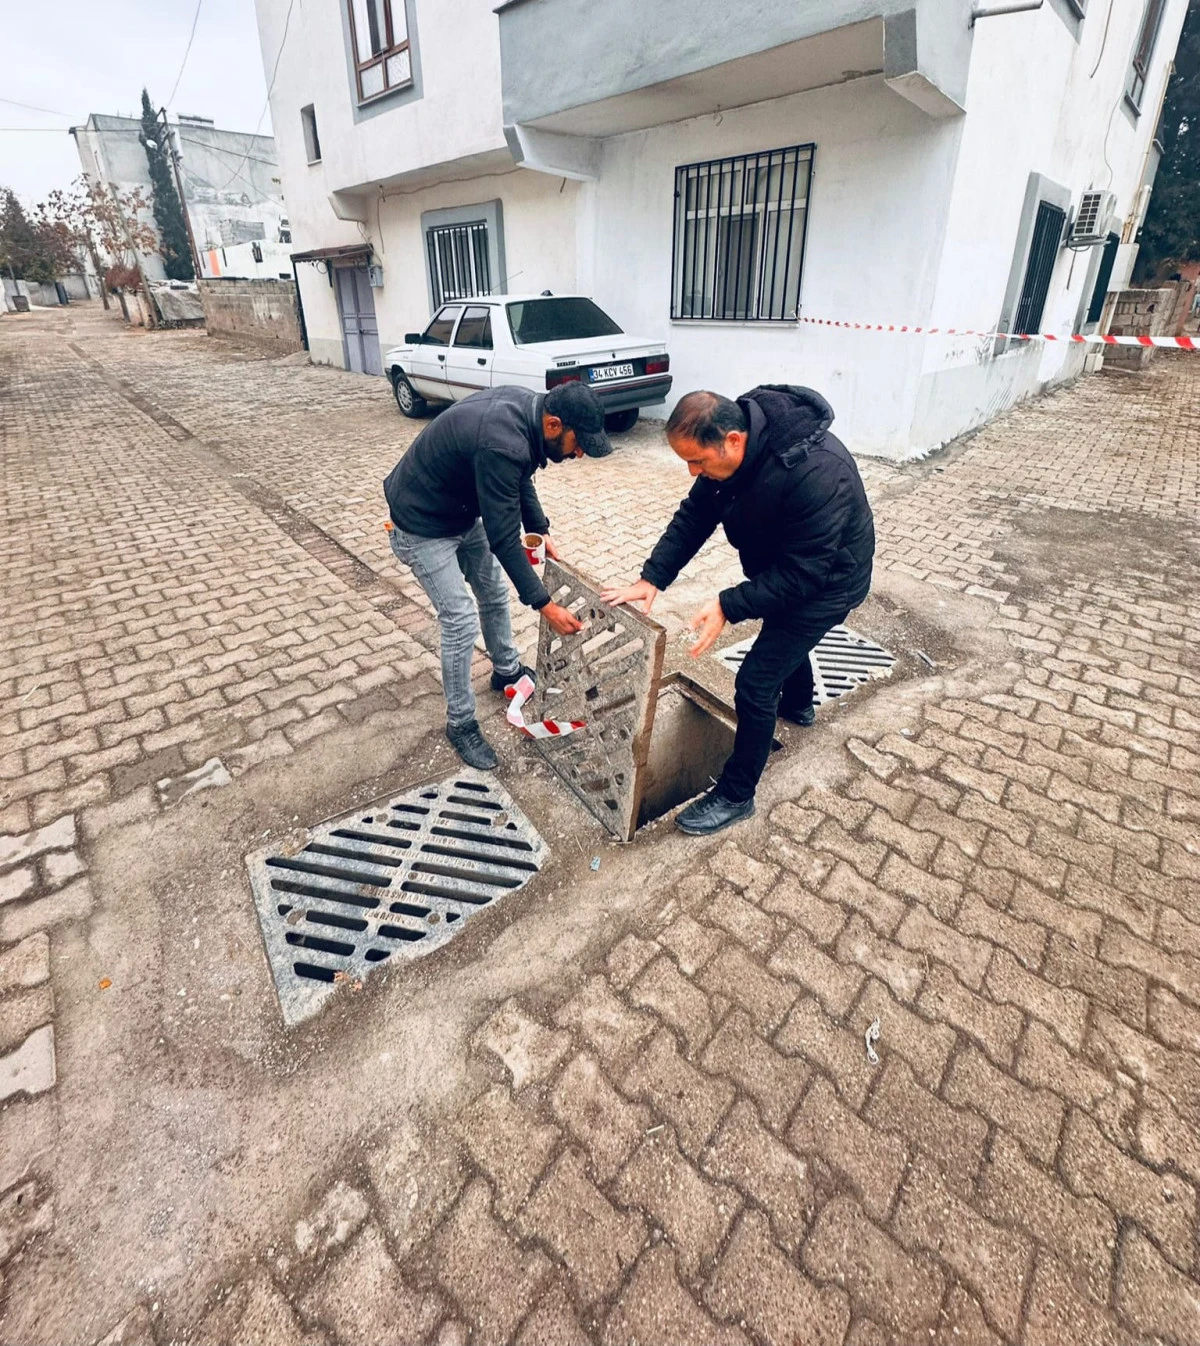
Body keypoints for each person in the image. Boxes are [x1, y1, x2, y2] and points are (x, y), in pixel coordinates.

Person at [602, 386, 874, 836]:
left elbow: (803, 576)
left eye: (698, 461)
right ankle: (800, 706)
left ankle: (736, 794)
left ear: (732, 440)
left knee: (754, 681)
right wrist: (652, 578)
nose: (694, 472)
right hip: (783, 569)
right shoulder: (731, 452)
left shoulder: (819, 472)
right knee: (780, 634)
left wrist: (729, 604)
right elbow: (695, 516)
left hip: (828, 583)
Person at [384, 382, 611, 770]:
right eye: (578, 444)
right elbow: (505, 538)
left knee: (492, 592)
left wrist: (540, 527)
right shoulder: (502, 442)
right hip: (421, 522)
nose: (579, 453)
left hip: (460, 508)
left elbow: (519, 477)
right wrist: (545, 605)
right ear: (554, 424)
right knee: (460, 620)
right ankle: (460, 723)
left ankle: (505, 672)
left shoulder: (527, 416)